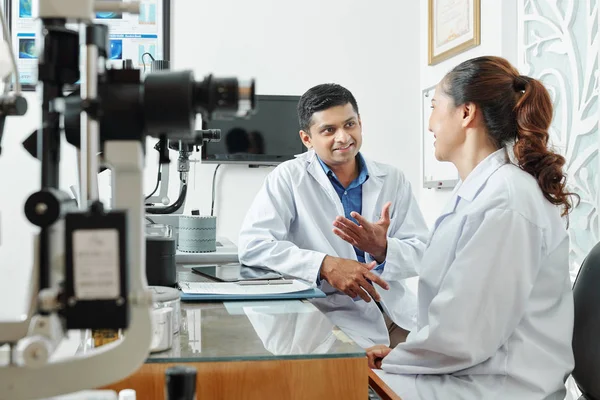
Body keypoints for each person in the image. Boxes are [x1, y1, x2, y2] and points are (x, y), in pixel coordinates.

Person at [366, 56, 576, 399]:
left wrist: (400, 360)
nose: (430, 122)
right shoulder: (483, 192)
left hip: (499, 387)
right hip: (471, 373)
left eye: (434, 106)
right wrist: (404, 356)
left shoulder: (505, 201)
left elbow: (464, 334)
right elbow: (458, 318)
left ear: (466, 113)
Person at [238, 83, 429, 348]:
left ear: (360, 123)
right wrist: (325, 265)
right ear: (307, 139)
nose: (343, 137)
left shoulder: (392, 178)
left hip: (397, 314)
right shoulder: (288, 178)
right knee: (356, 384)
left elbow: (422, 251)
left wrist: (383, 249)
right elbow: (254, 246)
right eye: (329, 130)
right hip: (331, 321)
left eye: (350, 124)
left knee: (437, 376)